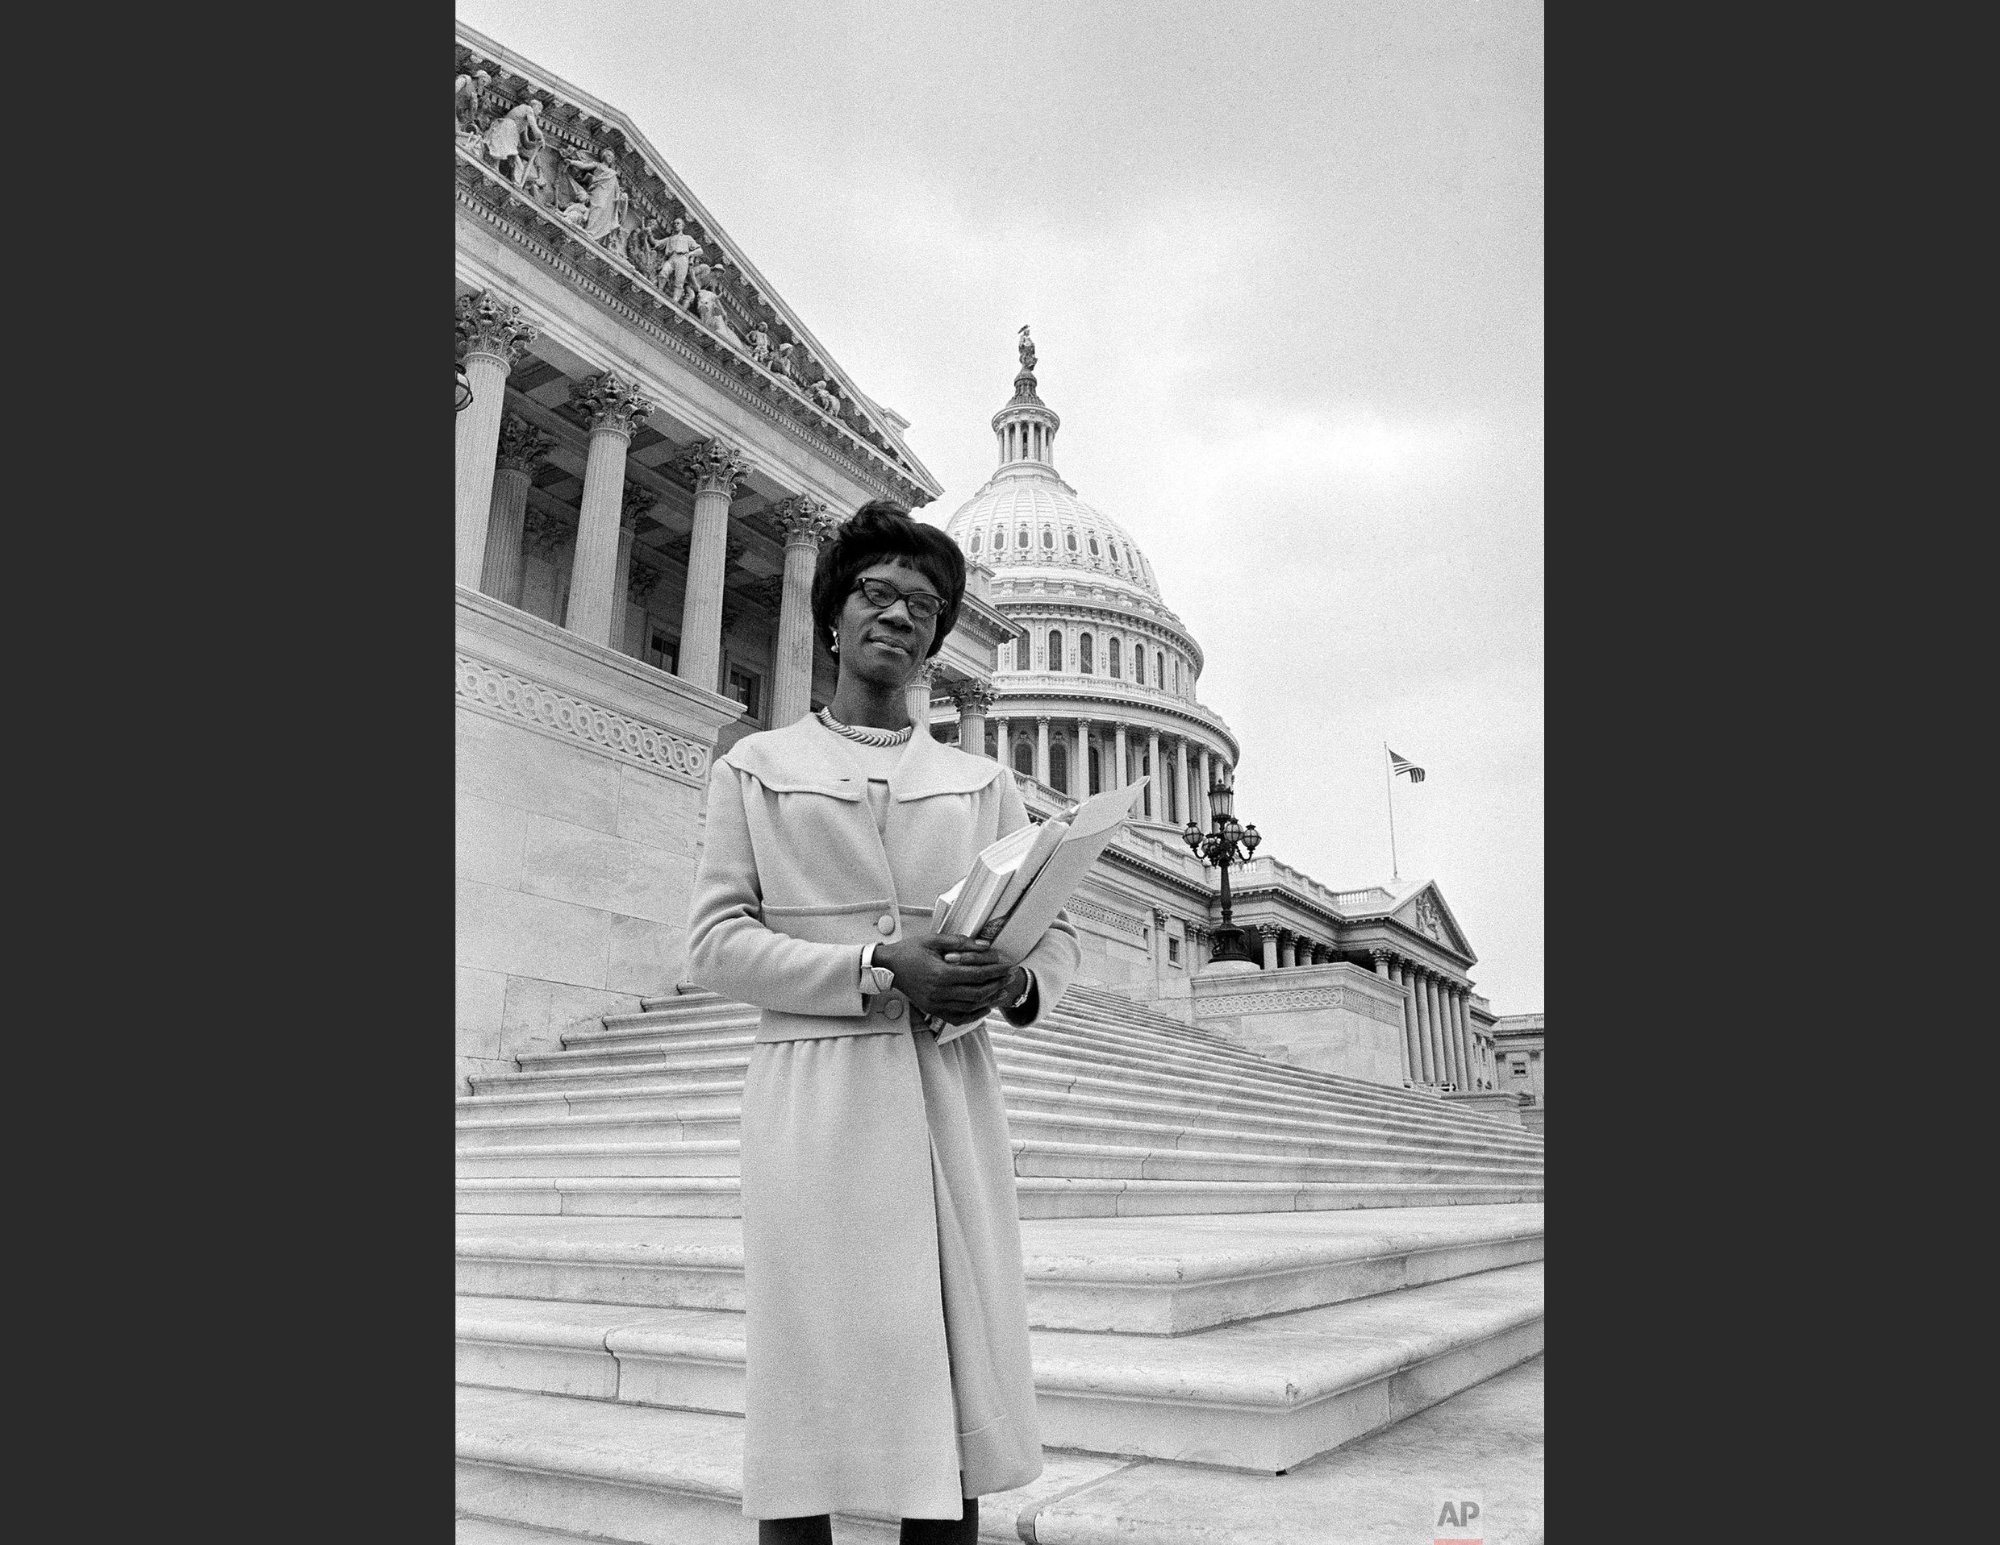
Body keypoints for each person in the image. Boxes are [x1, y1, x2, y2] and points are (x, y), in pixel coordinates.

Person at [686, 503, 1079, 1544]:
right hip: (814, 1095)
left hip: (944, 1093)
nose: (898, 617)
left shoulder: (981, 782)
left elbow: (1054, 946)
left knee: (948, 1397)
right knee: (804, 1389)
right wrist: (870, 964)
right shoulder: (754, 767)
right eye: (877, 594)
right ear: (832, 615)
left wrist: (1006, 981)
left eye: (923, 605)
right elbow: (716, 943)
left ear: (937, 637)